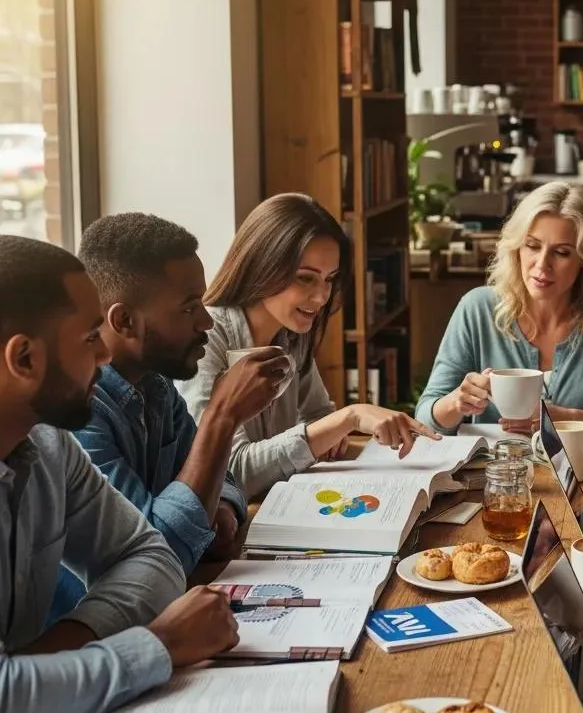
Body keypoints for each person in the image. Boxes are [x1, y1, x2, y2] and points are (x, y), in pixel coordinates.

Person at [0, 235, 239, 713]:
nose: (105, 354)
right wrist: (158, 647)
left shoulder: (49, 443)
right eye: (89, 338)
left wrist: (62, 649)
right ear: (24, 358)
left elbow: (150, 555)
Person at [49, 215, 289, 620]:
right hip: (100, 638)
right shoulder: (77, 416)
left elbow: (223, 481)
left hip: (167, 608)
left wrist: (220, 515)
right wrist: (222, 414)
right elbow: (158, 556)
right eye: (189, 308)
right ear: (124, 320)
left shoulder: (156, 386)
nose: (207, 323)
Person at [179, 193, 437, 498]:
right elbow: (229, 473)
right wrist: (348, 418)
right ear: (262, 265)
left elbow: (318, 418)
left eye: (330, 279)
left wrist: (330, 431)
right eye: (305, 278)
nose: (321, 297)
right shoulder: (204, 337)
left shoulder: (290, 334)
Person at [415, 181, 583, 443]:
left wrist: (566, 419)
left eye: (561, 252)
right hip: (496, 477)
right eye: (532, 246)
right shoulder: (477, 309)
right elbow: (425, 420)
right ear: (516, 247)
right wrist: (455, 403)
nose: (542, 265)